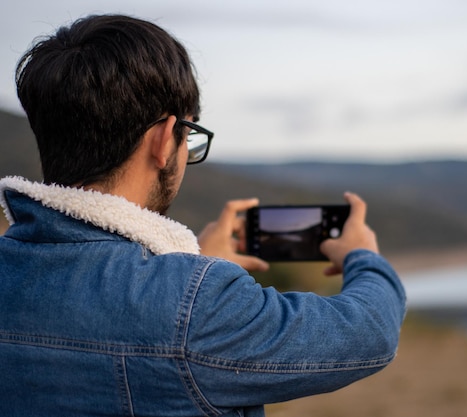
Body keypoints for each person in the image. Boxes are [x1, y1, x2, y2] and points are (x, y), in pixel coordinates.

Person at [0, 14, 406, 417]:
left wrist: (193, 266)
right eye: (190, 139)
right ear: (163, 140)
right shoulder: (196, 305)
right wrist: (362, 256)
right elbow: (369, 333)